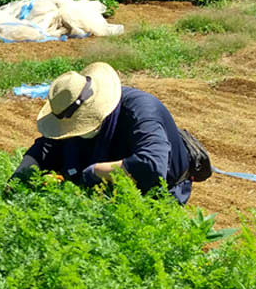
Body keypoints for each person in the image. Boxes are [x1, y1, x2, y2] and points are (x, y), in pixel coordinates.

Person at [11, 62, 193, 204]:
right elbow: (49, 144)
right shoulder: (70, 110)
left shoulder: (141, 112)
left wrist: (95, 172)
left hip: (158, 195)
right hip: (106, 187)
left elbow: (152, 166)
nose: (74, 131)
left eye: (79, 125)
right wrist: (22, 174)